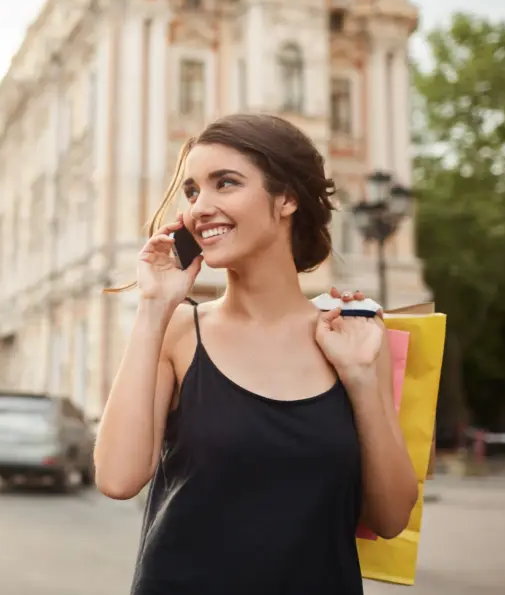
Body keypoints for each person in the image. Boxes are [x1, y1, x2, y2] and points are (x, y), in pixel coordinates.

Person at [93, 114, 418, 594]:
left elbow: (391, 518)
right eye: (192, 191)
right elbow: (118, 478)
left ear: (286, 198)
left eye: (225, 183)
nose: (201, 207)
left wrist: (362, 379)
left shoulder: (351, 336)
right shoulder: (178, 331)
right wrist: (153, 306)